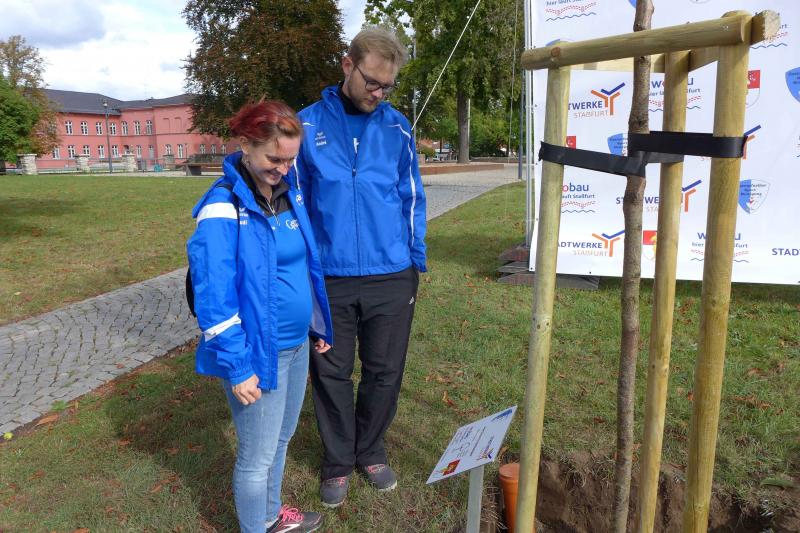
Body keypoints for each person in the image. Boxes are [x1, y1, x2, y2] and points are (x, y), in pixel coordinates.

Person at [293, 27, 427, 508]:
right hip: (329, 277)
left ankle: (369, 450)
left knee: (384, 370)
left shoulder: (398, 128)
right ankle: (336, 461)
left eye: (387, 86)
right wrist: (303, 268)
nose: (378, 93)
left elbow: (411, 196)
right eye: (372, 82)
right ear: (347, 65)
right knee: (331, 372)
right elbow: (296, 202)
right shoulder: (305, 126)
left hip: (390, 273)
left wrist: (414, 259)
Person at [187, 100, 333, 533]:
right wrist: (238, 366)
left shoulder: (289, 193)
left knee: (281, 440)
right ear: (245, 145)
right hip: (256, 354)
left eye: (290, 160)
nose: (283, 169)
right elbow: (213, 297)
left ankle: (270, 516)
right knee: (256, 457)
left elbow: (303, 266)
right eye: (274, 158)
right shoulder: (222, 206)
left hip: (296, 346)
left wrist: (317, 323)